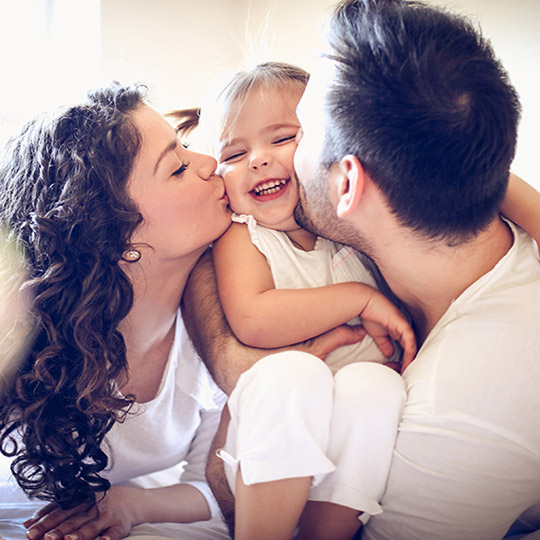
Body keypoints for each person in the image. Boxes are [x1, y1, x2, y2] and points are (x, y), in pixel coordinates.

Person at [182, 0, 540, 538]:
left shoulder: (462, 417)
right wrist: (232, 355)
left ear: (348, 184)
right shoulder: (421, 201)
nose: (265, 160)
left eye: (294, 134)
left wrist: (232, 483)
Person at [173, 61, 416, 540]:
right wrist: (360, 299)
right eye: (235, 153)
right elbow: (253, 319)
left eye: (282, 139)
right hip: (269, 452)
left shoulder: (350, 226)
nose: (259, 160)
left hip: (346, 443)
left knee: (377, 387)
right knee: (291, 372)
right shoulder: (246, 237)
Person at [0, 83, 236, 540]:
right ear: (116, 232)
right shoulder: (17, 331)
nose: (211, 164)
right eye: (178, 167)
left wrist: (135, 504)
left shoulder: (222, 323)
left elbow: (222, 482)